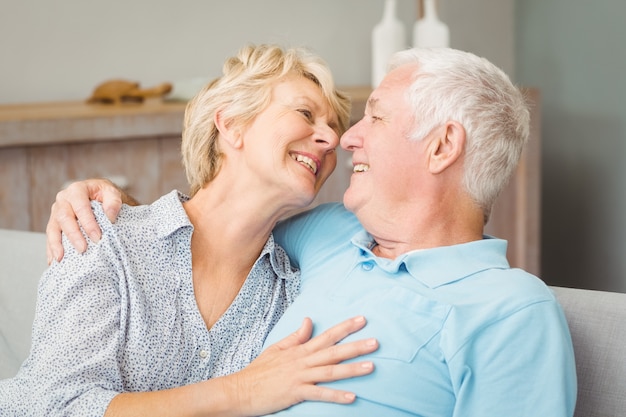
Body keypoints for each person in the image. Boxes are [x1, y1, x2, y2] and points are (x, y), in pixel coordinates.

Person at [43, 47, 577, 416]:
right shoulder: (329, 239)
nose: (342, 141)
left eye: (373, 119)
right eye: (307, 113)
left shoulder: (509, 309)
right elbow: (214, 222)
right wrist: (108, 208)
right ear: (230, 123)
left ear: (441, 147)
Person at [0, 44, 381, 416]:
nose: (332, 140)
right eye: (305, 113)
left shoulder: (290, 296)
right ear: (231, 123)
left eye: (334, 128)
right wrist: (244, 390)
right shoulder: (104, 235)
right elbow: (55, 407)